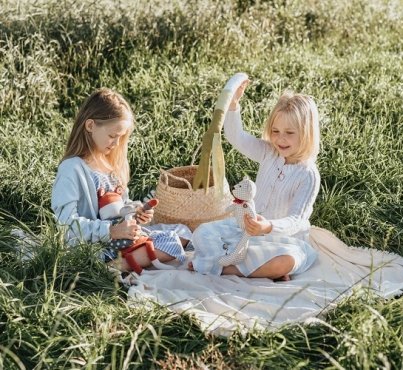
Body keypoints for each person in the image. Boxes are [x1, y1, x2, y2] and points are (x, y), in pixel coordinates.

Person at [189, 81, 320, 280]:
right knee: (202, 232)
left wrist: (268, 227)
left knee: (286, 261)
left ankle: (225, 269)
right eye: (275, 131)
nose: (280, 139)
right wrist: (233, 105)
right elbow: (237, 138)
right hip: (248, 231)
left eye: (290, 133)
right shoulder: (269, 153)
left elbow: (296, 220)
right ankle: (253, 268)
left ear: (307, 133)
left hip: (283, 240)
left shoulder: (308, 175)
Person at [51, 88, 191, 272]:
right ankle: (110, 269)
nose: (116, 143)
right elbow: (66, 224)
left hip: (121, 238)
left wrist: (136, 213)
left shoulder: (111, 165)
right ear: (90, 125)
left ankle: (128, 259)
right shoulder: (72, 168)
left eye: (121, 137)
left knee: (183, 232)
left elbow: (120, 208)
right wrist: (110, 232)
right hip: (95, 245)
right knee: (171, 243)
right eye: (112, 136)